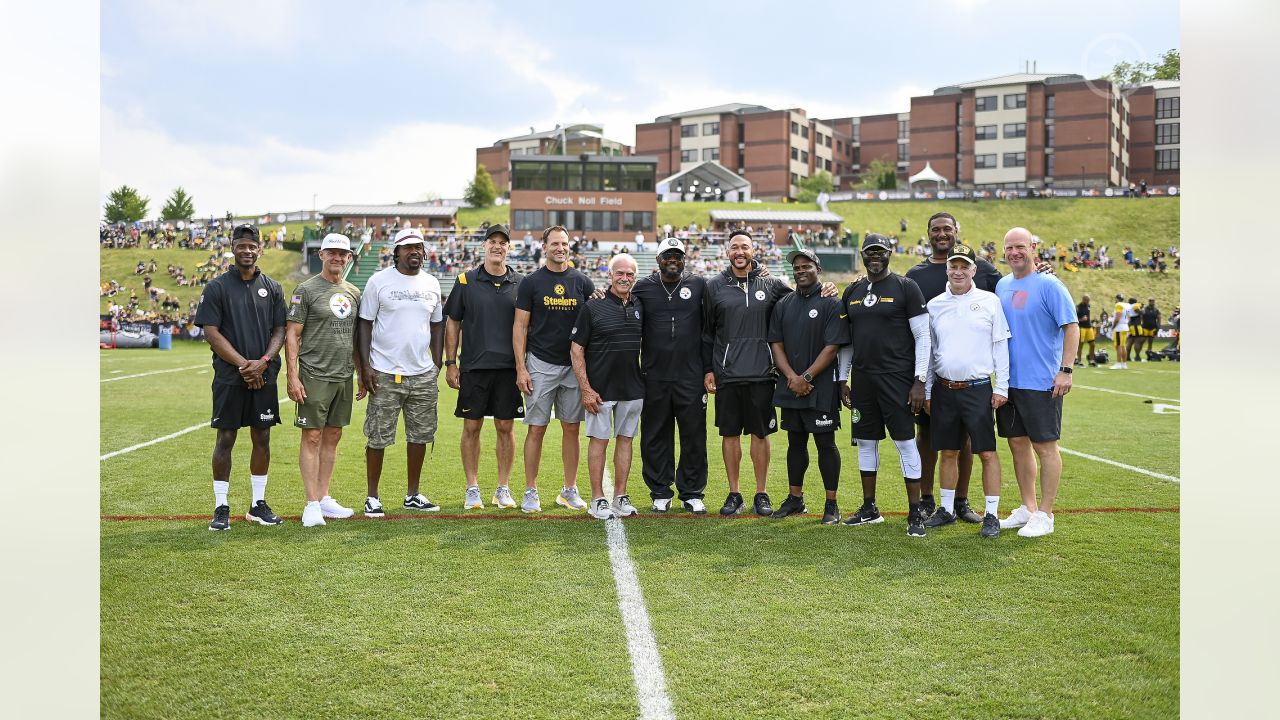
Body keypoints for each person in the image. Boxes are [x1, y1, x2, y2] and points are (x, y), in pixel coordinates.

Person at [905, 212, 1002, 523]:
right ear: (929, 233)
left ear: (957, 232)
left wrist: (1041, 272)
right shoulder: (916, 274)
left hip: (972, 381)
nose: (942, 233)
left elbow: (1009, 294)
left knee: (968, 442)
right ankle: (928, 499)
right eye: (936, 229)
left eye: (947, 228)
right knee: (929, 438)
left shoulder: (984, 271)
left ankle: (961, 501)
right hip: (934, 376)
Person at [194, 223, 287, 531]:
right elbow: (211, 332)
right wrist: (244, 366)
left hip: (264, 374)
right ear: (232, 247)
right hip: (231, 377)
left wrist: (262, 362)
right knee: (226, 438)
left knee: (262, 437)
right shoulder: (217, 287)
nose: (247, 250)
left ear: (260, 249)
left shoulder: (272, 287)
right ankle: (221, 507)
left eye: (252, 246)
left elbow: (280, 330)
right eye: (241, 245)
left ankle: (257, 505)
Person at [838, 233, 931, 537]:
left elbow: (923, 336)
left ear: (890, 253)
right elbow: (848, 343)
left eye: (880, 251)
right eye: (869, 252)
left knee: (905, 442)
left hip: (898, 380)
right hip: (863, 382)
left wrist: (919, 381)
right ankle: (869, 508)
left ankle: (915, 512)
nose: (874, 256)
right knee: (866, 442)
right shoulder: (852, 291)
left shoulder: (906, 287)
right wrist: (842, 379)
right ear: (862, 255)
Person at [995, 228, 1079, 538]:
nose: (1014, 252)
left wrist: (1066, 370)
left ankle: (1046, 513)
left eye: (1020, 246)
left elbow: (1072, 327)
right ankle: (1027, 508)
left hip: (1042, 381)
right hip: (1009, 382)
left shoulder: (1049, 284)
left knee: (1045, 447)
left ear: (1033, 248)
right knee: (1018, 445)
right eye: (1009, 247)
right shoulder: (1002, 285)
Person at [921, 243, 1010, 538]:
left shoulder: (990, 301)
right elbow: (931, 353)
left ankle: (992, 514)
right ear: (946, 269)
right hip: (945, 389)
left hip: (978, 389)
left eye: (964, 266)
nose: (958, 272)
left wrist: (1002, 386)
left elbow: (1000, 345)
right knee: (948, 451)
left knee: (986, 452)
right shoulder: (934, 305)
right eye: (953, 266)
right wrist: (930, 391)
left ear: (974, 269)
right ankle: (946, 509)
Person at [355, 228, 445, 517]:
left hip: (422, 373)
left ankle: (413, 494)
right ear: (396, 252)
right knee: (378, 436)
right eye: (408, 248)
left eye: (419, 247)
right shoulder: (378, 281)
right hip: (384, 370)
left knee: (420, 435)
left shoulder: (432, 283)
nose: (415, 252)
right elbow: (365, 323)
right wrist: (366, 366)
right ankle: (372, 497)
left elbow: (437, 323)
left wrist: (438, 362)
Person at [703, 230, 793, 516]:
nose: (739, 252)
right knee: (729, 435)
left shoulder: (772, 283)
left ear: (754, 250)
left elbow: (802, 300)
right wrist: (708, 369)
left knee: (760, 434)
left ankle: (761, 493)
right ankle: (734, 493)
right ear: (727, 252)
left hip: (763, 373)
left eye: (744, 247)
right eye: (734, 247)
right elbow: (706, 333)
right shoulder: (714, 286)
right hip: (727, 374)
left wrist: (827, 288)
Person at [514, 225, 595, 513]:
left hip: (573, 367)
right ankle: (530, 490)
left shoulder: (583, 282)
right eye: (555, 243)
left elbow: (592, 323)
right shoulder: (531, 282)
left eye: (565, 243)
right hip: (541, 364)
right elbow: (520, 326)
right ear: (544, 246)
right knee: (536, 429)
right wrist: (521, 368)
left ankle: (569, 490)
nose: (560, 248)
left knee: (571, 429)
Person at [285, 233, 364, 528]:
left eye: (342, 254)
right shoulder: (305, 290)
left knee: (333, 436)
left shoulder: (354, 292)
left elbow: (356, 340)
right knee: (313, 436)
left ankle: (324, 497)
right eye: (332, 252)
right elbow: (292, 334)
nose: (337, 258)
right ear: (321, 254)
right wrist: (292, 375)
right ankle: (311, 503)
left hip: (343, 376)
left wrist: (360, 373)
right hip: (314, 374)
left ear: (348, 258)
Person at [443, 224, 525, 511]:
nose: (497, 246)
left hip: (509, 368)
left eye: (503, 242)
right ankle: (472, 488)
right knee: (471, 426)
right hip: (474, 368)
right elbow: (453, 322)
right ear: (484, 246)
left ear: (508, 248)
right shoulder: (465, 281)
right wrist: (451, 363)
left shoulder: (521, 283)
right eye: (492, 241)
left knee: (506, 427)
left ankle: (503, 488)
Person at [767, 249, 850, 525]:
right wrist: (792, 377)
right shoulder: (784, 303)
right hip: (791, 386)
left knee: (825, 443)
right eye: (797, 267)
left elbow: (832, 346)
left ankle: (831, 503)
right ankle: (795, 499)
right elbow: (775, 344)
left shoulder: (831, 302)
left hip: (820, 388)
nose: (801, 271)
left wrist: (807, 378)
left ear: (818, 268)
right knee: (795, 442)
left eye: (807, 266)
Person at [630, 237, 712, 514]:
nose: (673, 260)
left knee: (694, 436)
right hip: (654, 376)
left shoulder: (699, 285)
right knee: (655, 435)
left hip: (691, 375)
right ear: (658, 260)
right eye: (668, 255)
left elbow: (712, 325)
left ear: (684, 259)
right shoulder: (642, 288)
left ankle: (691, 492)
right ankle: (660, 491)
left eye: (678, 255)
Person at [570, 254, 645, 520]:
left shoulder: (640, 304)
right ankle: (597, 499)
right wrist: (586, 388)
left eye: (630, 274)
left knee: (625, 440)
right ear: (610, 274)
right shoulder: (593, 306)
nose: (624, 278)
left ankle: (620, 496)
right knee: (599, 442)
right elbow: (576, 349)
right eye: (620, 273)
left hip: (633, 388)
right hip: (600, 389)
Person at [1110, 294, 1133, 369]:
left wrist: (1113, 327)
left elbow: (1118, 318)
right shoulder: (1127, 305)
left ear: (1117, 299)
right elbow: (1129, 317)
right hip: (1125, 326)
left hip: (1119, 327)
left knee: (1119, 346)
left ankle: (1118, 363)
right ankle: (1124, 364)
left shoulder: (1118, 305)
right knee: (1123, 346)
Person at [1076, 294, 1097, 367]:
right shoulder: (1078, 307)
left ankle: (1091, 360)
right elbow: (1075, 319)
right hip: (1081, 328)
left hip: (1089, 327)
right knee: (1080, 345)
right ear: (1083, 300)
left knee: (1093, 344)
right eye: (1087, 300)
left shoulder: (1088, 306)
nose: (1088, 302)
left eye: (1089, 300)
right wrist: (1081, 319)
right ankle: (1079, 361)